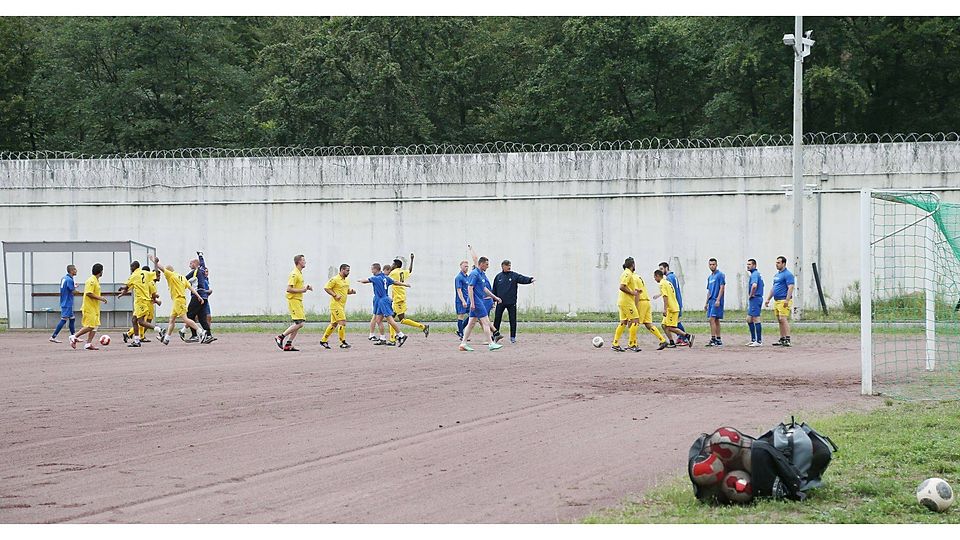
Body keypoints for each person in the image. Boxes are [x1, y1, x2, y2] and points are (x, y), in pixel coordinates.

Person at [149, 254, 205, 346]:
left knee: (186, 319)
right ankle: (166, 339)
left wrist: (153, 260)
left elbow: (162, 268)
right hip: (178, 301)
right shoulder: (182, 277)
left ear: (169, 271)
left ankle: (201, 333)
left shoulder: (170, 275)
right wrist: (199, 296)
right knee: (171, 320)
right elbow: (190, 288)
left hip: (178, 300)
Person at [359, 263, 410, 346]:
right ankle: (382, 338)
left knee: (390, 320)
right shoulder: (385, 278)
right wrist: (404, 284)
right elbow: (395, 282)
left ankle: (401, 335)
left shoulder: (376, 278)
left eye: (372, 269)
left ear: (376, 269)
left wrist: (360, 280)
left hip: (383, 301)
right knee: (378, 320)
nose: (371, 271)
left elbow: (365, 281)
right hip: (381, 300)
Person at [459, 256, 503, 352]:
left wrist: (494, 297)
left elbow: (484, 289)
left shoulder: (481, 274)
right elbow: (470, 288)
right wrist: (473, 303)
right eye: (486, 264)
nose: (488, 266)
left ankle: (463, 343)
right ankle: (491, 343)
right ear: (481, 264)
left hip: (478, 301)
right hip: (477, 301)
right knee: (486, 322)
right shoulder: (475, 274)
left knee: (471, 323)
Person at [387, 254, 429, 345]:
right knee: (391, 319)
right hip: (399, 297)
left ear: (396, 265)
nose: (391, 265)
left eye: (393, 264)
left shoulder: (393, 273)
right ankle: (392, 339)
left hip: (399, 299)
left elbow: (386, 276)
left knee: (401, 320)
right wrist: (412, 260)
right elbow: (409, 270)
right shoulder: (402, 272)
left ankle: (423, 327)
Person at [118, 260, 161, 347]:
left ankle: (159, 329)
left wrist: (123, 291)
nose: (130, 269)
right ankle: (137, 340)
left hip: (141, 300)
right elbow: (156, 273)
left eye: (131, 267)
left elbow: (127, 286)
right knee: (134, 320)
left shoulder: (134, 275)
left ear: (135, 267)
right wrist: (156, 264)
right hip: (143, 301)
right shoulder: (145, 273)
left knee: (141, 322)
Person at [491, 260, 535, 343]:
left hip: (511, 302)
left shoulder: (514, 275)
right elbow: (494, 289)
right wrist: (493, 300)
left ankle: (513, 337)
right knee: (497, 319)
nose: (509, 267)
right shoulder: (498, 277)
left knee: (513, 320)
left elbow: (522, 278)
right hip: (500, 302)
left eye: (509, 265)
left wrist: (530, 280)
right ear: (503, 266)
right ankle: (495, 335)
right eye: (507, 265)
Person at [276, 254, 312, 351]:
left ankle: (288, 344)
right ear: (299, 262)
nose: (305, 262)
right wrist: (302, 290)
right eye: (303, 260)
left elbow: (298, 287)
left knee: (299, 323)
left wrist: (306, 288)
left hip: (298, 300)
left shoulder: (299, 273)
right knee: (300, 323)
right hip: (293, 300)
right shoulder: (294, 274)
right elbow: (289, 289)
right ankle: (281, 337)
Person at [68, 263, 108, 350]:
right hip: (89, 307)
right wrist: (101, 298)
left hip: (95, 307)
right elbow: (89, 293)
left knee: (95, 326)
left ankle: (88, 344)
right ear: (100, 271)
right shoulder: (91, 281)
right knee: (90, 326)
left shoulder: (96, 280)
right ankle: (74, 336)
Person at [654, 269, 693, 347]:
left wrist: (665, 309)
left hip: (671, 309)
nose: (654, 279)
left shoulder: (662, 284)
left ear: (658, 276)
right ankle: (671, 342)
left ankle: (687, 336)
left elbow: (666, 296)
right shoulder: (667, 282)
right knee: (664, 325)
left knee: (670, 327)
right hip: (673, 307)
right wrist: (658, 295)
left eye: (655, 277)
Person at [633, 265, 669, 351]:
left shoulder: (632, 278)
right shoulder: (638, 276)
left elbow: (637, 292)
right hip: (647, 302)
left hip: (641, 302)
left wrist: (635, 304)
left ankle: (633, 343)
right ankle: (662, 340)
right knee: (648, 324)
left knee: (635, 322)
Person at [321, 264, 356, 349]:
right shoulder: (335, 279)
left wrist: (351, 291)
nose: (349, 272)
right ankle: (343, 342)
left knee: (334, 324)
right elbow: (326, 288)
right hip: (335, 305)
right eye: (347, 270)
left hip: (342, 305)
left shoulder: (346, 280)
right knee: (342, 322)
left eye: (349, 270)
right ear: (342, 270)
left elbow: (345, 291)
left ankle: (323, 341)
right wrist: (335, 295)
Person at [183, 252, 215, 343]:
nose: (189, 265)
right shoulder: (202, 270)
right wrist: (200, 256)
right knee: (201, 317)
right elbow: (203, 264)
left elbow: (184, 279)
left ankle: (195, 335)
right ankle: (208, 335)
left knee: (189, 315)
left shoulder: (195, 272)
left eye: (190, 264)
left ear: (194, 264)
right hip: (204, 297)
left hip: (197, 296)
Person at [764, 256, 796, 347]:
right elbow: (774, 288)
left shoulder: (788, 274)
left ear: (784, 264)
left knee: (783, 318)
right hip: (777, 300)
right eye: (776, 262)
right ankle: (782, 338)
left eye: (778, 263)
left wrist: (787, 299)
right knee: (779, 320)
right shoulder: (777, 275)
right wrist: (768, 299)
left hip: (783, 300)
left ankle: (787, 338)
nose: (776, 264)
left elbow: (791, 287)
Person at [611, 257, 640, 353]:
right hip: (627, 302)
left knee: (623, 322)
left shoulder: (627, 273)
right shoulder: (627, 273)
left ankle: (615, 344)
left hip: (623, 301)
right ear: (633, 265)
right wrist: (632, 293)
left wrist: (635, 291)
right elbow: (622, 287)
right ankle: (632, 344)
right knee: (635, 320)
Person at [50, 264, 80, 343]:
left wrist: (74, 286)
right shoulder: (70, 279)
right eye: (75, 269)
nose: (76, 271)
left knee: (72, 319)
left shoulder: (64, 278)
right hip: (67, 303)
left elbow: (68, 288)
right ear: (71, 271)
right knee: (64, 319)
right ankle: (53, 336)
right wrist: (79, 292)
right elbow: (72, 291)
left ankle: (74, 336)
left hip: (65, 301)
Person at [704, 258, 726, 347]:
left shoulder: (720, 275)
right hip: (711, 301)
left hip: (717, 300)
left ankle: (713, 339)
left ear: (716, 265)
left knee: (711, 319)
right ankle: (718, 339)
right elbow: (709, 291)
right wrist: (706, 303)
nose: (712, 266)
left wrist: (718, 299)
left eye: (713, 264)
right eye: (710, 264)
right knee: (715, 320)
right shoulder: (710, 277)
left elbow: (722, 287)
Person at [746, 258, 765, 347]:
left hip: (755, 298)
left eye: (750, 264)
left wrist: (751, 295)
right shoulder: (755, 274)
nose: (748, 266)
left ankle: (759, 341)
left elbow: (754, 285)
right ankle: (753, 339)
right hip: (755, 299)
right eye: (747, 264)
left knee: (756, 318)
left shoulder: (754, 274)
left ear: (754, 265)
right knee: (749, 319)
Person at [454, 260, 471, 339]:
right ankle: (461, 334)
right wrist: (463, 301)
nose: (466, 268)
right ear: (461, 267)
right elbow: (459, 290)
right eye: (465, 266)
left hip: (468, 300)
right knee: (461, 316)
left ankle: (460, 330)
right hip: (461, 300)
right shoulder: (459, 277)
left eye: (467, 266)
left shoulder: (467, 277)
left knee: (472, 315)